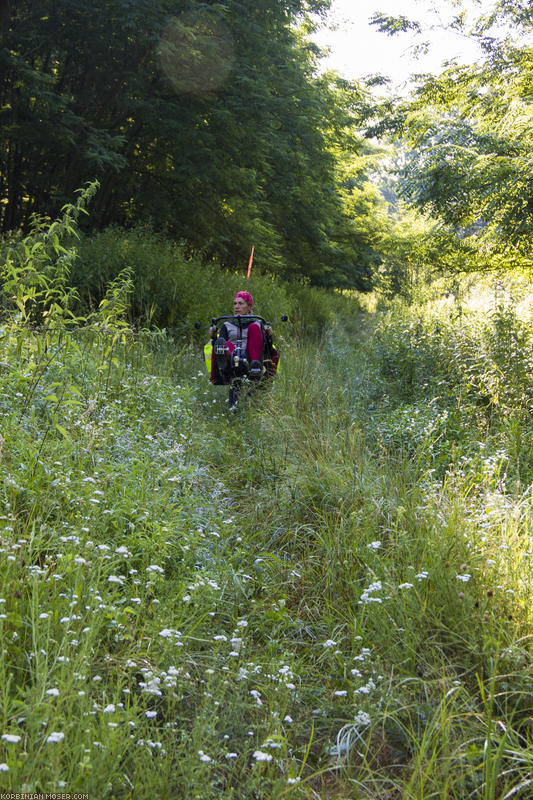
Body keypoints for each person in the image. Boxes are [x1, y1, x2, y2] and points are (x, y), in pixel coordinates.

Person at [210, 291, 270, 380]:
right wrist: (214, 337)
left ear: (249, 307)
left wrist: (269, 335)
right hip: (231, 358)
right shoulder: (226, 325)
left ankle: (255, 366)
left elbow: (266, 347)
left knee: (254, 327)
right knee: (225, 344)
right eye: (235, 304)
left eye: (240, 303)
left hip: (250, 357)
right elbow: (218, 347)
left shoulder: (258, 323)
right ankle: (223, 369)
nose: (237, 306)